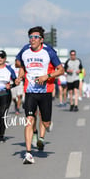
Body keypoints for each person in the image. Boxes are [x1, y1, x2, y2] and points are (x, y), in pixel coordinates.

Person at [15, 26, 64, 164]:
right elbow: (20, 65)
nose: (32, 39)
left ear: (41, 39)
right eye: (30, 37)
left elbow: (61, 70)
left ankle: (46, 125)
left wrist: (46, 76)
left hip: (45, 91)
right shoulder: (25, 50)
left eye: (35, 37)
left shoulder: (48, 51)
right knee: (29, 120)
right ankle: (29, 153)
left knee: (45, 121)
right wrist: (19, 77)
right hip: (30, 91)